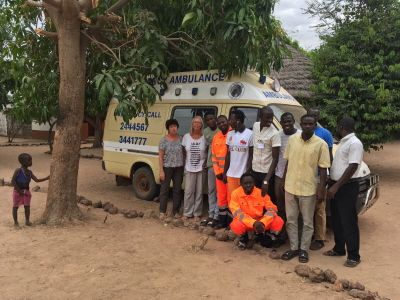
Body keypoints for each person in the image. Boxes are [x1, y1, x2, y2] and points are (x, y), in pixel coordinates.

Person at [280, 114, 330, 263]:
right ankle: (294, 248)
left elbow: (323, 169)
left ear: (315, 125)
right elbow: (288, 162)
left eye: (311, 124)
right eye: (305, 124)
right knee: (291, 219)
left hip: (309, 188)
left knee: (308, 222)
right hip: (290, 186)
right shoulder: (292, 140)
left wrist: (321, 189)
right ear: (300, 124)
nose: (307, 127)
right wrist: (283, 180)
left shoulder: (321, 144)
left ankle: (303, 250)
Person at [324, 117, 363, 268]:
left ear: (340, 127)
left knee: (349, 222)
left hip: (346, 187)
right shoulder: (344, 142)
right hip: (336, 185)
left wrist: (336, 186)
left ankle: (354, 256)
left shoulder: (354, 143)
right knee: (337, 220)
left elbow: (353, 166)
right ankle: (339, 248)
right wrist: (331, 180)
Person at [229, 173, 284, 250]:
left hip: (260, 222)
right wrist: (253, 223)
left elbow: (272, 209)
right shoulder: (235, 193)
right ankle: (243, 240)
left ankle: (267, 242)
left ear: (254, 183)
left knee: (278, 221)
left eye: (250, 183)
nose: (248, 185)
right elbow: (237, 213)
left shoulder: (261, 193)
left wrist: (263, 223)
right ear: (241, 184)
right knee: (235, 224)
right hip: (245, 222)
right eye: (245, 183)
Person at [273, 112, 301, 248]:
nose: (286, 124)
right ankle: (283, 236)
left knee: (299, 207)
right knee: (281, 207)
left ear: (293, 121)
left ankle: (299, 238)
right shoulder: (278, 135)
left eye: (289, 121)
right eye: (284, 122)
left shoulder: (301, 134)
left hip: (298, 176)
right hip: (280, 176)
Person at [307, 107, 334, 251]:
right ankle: (308, 235)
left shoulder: (325, 133)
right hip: (306, 175)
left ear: (318, 117)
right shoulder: (302, 133)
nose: (313, 118)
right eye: (311, 115)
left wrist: (330, 175)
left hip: (319, 176)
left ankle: (320, 238)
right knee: (306, 207)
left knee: (319, 207)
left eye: (315, 116)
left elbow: (330, 156)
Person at [11, 153, 49, 229]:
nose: (31, 162)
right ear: (22, 161)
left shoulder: (30, 172)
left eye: (31, 160)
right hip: (17, 192)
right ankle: (15, 222)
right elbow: (13, 180)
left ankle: (27, 221)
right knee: (15, 207)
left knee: (27, 207)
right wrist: (19, 191)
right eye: (29, 160)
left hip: (26, 192)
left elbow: (37, 180)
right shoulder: (18, 170)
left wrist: (47, 178)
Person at [223, 110, 254, 199]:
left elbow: (251, 156)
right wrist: (225, 172)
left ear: (238, 121)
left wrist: (247, 173)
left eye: (231, 120)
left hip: (243, 174)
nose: (229, 122)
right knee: (233, 199)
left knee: (244, 198)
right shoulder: (230, 134)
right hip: (231, 174)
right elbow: (228, 155)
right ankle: (234, 214)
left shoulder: (250, 134)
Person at [251, 106, 281, 198]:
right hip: (254, 170)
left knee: (267, 199)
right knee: (256, 198)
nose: (270, 120)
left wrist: (266, 180)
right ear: (260, 116)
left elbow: (275, 158)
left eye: (271, 117)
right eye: (267, 117)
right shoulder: (255, 125)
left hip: (266, 173)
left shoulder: (274, 133)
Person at [182, 116, 207, 221]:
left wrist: (205, 162)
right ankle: (187, 212)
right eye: (195, 122)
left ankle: (197, 213)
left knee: (199, 191)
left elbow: (208, 150)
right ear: (192, 124)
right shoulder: (186, 137)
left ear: (201, 125)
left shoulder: (204, 137)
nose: (197, 124)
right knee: (188, 191)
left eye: (199, 122)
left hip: (201, 168)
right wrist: (183, 165)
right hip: (189, 167)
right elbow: (183, 152)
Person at [158, 119, 184, 220]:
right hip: (167, 167)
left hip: (178, 168)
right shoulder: (163, 140)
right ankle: (162, 211)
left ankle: (176, 211)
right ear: (168, 128)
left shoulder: (181, 139)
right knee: (164, 190)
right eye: (171, 126)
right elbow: (160, 157)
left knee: (177, 190)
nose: (173, 128)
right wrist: (161, 171)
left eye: (175, 126)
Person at [211, 115, 232, 229]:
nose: (221, 125)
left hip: (230, 174)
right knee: (222, 198)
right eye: (219, 123)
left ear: (227, 121)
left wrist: (226, 173)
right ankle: (222, 221)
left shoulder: (233, 134)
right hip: (219, 175)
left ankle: (230, 223)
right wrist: (217, 172)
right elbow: (214, 157)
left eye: (223, 122)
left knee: (230, 198)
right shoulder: (216, 137)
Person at [200, 113, 220, 227]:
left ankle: (217, 215)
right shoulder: (206, 132)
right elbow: (207, 148)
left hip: (220, 165)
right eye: (207, 120)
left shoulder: (221, 130)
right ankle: (211, 214)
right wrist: (204, 161)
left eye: (212, 119)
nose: (210, 121)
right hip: (210, 164)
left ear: (215, 119)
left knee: (219, 192)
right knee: (211, 191)